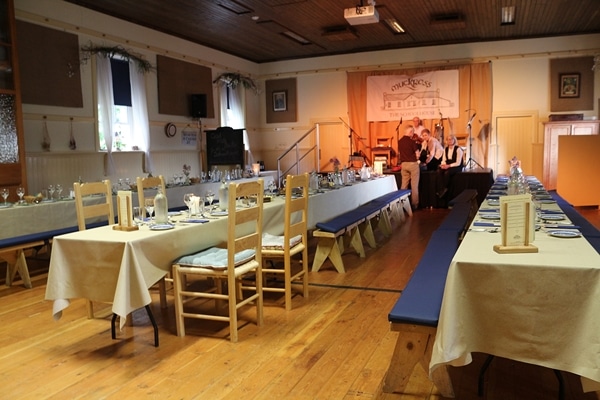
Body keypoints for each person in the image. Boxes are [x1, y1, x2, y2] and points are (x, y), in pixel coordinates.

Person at [398, 125, 421, 209]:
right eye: (413, 132)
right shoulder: (412, 142)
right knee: (414, 185)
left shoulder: (399, 141)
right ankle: (415, 204)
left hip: (404, 164)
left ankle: (401, 204)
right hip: (412, 164)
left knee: (404, 185)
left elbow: (400, 153)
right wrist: (418, 159)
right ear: (411, 132)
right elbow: (417, 154)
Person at [437, 134, 464, 198]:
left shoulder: (458, 149)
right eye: (448, 139)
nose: (449, 141)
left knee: (447, 173)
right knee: (439, 171)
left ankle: (445, 188)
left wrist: (449, 166)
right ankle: (441, 189)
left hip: (456, 166)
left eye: (451, 139)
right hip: (447, 164)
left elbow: (458, 162)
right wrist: (443, 165)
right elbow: (444, 159)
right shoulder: (445, 149)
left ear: (454, 140)